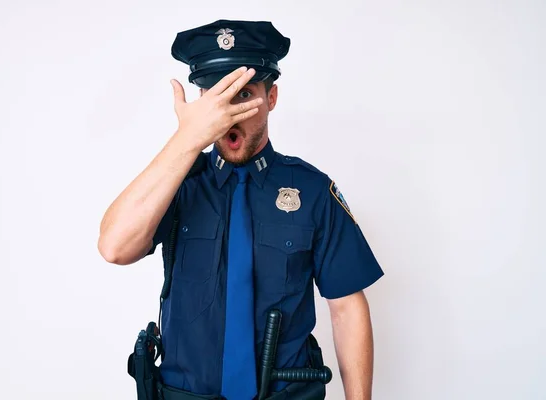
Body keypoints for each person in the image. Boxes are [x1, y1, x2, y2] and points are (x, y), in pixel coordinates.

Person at [98, 19, 384, 400]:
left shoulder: (312, 191)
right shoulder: (176, 183)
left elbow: (347, 308)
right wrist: (187, 139)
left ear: (272, 98)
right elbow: (114, 247)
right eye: (216, 98)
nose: (228, 114)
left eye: (244, 94)